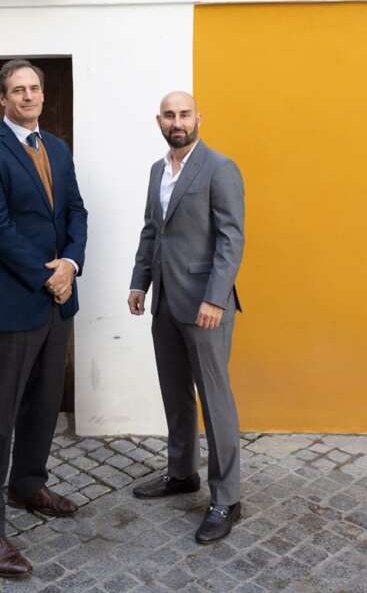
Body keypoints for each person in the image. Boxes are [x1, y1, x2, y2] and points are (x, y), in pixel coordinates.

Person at [0, 59, 88, 580]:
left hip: (57, 301)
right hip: (11, 302)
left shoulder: (57, 147)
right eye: (18, 90)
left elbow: (77, 212)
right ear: (3, 99)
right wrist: (47, 275)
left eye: (35, 88)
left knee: (42, 405)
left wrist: (72, 264)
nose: (29, 96)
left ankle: (29, 485)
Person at [127, 90, 245, 544]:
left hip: (206, 306)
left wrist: (215, 298)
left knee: (214, 401)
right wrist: (140, 283)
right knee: (175, 394)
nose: (178, 122)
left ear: (199, 117)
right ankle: (181, 473)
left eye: (185, 114)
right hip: (165, 303)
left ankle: (227, 498)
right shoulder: (158, 170)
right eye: (169, 115)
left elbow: (231, 239)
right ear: (159, 120)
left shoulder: (219, 168)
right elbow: (151, 231)